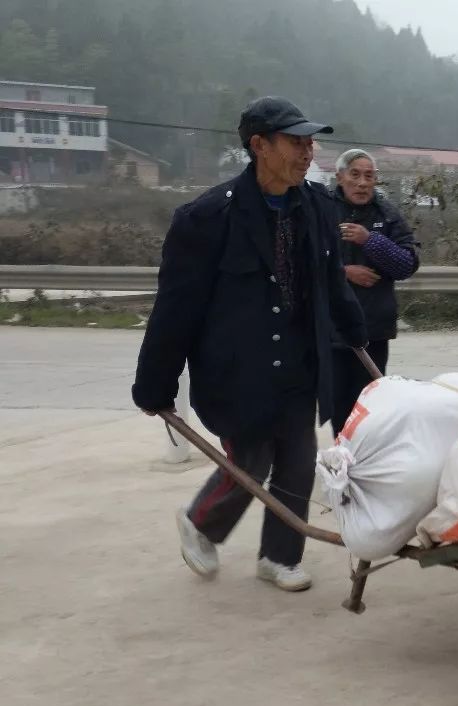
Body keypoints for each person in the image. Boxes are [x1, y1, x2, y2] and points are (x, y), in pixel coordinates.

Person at [131, 96, 367, 592]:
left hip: (302, 359)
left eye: (310, 142)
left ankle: (280, 556)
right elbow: (176, 308)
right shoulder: (207, 218)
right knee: (252, 461)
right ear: (259, 145)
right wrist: (155, 383)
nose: (308, 152)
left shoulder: (319, 207)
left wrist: (353, 328)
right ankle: (201, 523)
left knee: (300, 460)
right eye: (295, 142)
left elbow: (331, 280)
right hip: (238, 367)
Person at [329, 148, 420, 437]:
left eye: (369, 176)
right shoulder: (321, 210)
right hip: (331, 329)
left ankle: (368, 467)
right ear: (340, 177)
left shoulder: (387, 214)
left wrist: (371, 241)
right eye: (354, 175)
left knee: (372, 406)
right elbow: (300, 262)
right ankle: (341, 467)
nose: (362, 183)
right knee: (339, 408)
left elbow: (407, 265)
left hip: (373, 330)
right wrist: (344, 271)